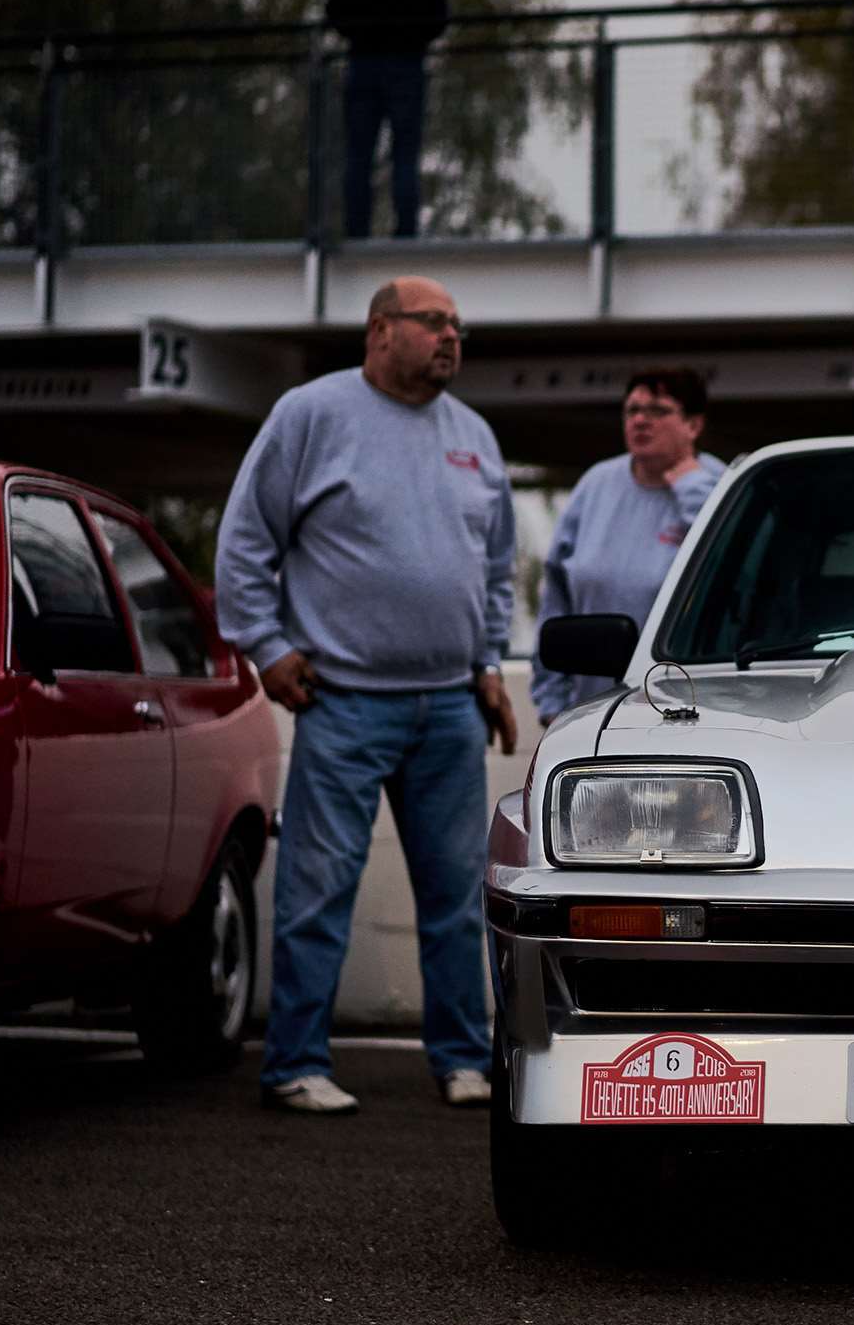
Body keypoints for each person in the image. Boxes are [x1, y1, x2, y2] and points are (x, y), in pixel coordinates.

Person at [216, 276, 517, 1115]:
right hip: (343, 702)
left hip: (450, 705)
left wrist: (491, 665)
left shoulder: (474, 436)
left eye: (459, 323)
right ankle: (295, 1065)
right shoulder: (312, 415)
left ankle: (463, 1059)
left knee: (458, 897)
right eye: (434, 322)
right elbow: (245, 542)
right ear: (382, 330)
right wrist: (267, 646)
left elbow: (495, 568)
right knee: (317, 892)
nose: (452, 336)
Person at [529, 369, 728, 723]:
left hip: (691, 710)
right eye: (632, 410)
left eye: (658, 411)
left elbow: (727, 566)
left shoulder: (720, 486)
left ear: (693, 425)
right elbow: (556, 597)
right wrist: (551, 699)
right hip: (593, 708)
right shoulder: (596, 484)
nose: (640, 420)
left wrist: (688, 484)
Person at [326, 0, 448, 240]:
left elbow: (335, 11)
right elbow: (439, 17)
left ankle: (356, 232)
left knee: (358, 154)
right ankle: (405, 233)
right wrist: (412, 37)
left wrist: (361, 35)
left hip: (362, 62)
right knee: (405, 155)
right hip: (406, 65)